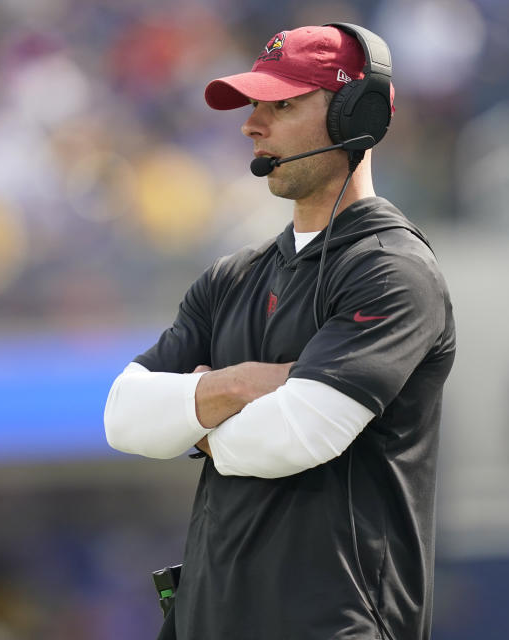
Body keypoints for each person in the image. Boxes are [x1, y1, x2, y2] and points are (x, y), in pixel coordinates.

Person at [104, 23, 456, 640]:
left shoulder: (392, 270)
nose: (252, 125)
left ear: (357, 117)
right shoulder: (231, 277)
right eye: (254, 105)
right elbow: (122, 418)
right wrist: (237, 387)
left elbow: (296, 437)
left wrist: (192, 422)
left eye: (282, 104)